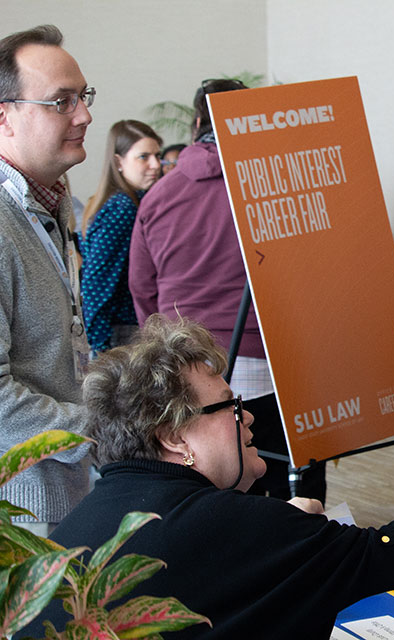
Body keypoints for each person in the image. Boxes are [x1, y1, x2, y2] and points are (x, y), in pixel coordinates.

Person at [31, 314, 394, 639]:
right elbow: (379, 554)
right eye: (227, 407)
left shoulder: (83, 525)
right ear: (174, 437)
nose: (249, 416)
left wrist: (278, 534)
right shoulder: (222, 521)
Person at [129, 79, 325, 501]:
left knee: (211, 491)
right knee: (292, 486)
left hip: (187, 370)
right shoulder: (275, 189)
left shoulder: (159, 194)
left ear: (197, 122)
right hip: (274, 362)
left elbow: (142, 288)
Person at [0, 24, 95, 533]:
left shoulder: (50, 200)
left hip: (64, 493)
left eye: (83, 97)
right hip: (19, 518)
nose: (84, 115)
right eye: (61, 101)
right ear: (4, 116)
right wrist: (100, 430)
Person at [80, 120, 163, 354]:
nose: (155, 165)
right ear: (118, 162)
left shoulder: (133, 202)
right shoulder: (122, 208)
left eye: (158, 156)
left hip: (126, 330)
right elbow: (96, 283)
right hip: (121, 335)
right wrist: (99, 349)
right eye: (143, 157)